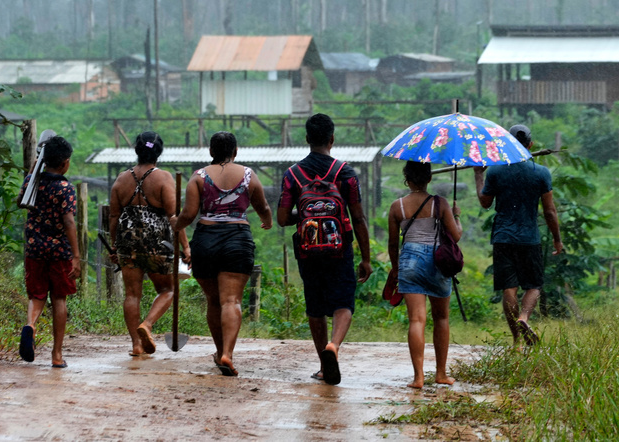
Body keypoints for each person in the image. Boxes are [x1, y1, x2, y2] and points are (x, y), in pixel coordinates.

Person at [277, 113, 373, 385]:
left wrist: (307, 215)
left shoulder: (293, 175)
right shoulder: (345, 173)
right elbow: (358, 218)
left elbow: (283, 219)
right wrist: (365, 258)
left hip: (308, 252)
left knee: (315, 307)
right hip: (340, 248)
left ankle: (323, 365)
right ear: (332, 139)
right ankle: (334, 346)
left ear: (307, 139)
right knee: (344, 301)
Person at [174, 131, 273, 377]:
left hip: (205, 241)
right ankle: (228, 353)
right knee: (232, 301)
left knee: (214, 301)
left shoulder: (198, 177)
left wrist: (174, 225)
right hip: (237, 240)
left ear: (211, 152)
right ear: (235, 151)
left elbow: (188, 214)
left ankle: (219, 352)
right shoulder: (249, 175)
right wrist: (267, 221)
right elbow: (263, 207)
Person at [473, 124, 562, 346]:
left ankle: (516, 341)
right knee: (533, 286)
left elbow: (485, 203)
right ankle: (524, 317)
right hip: (529, 238)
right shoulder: (541, 173)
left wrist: (477, 175)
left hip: (503, 237)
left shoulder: (495, 171)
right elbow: (550, 212)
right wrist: (558, 239)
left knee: (509, 288)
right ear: (530, 145)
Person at [108, 131, 190, 357]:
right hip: (156, 241)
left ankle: (136, 344)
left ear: (137, 151)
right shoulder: (163, 178)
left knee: (132, 294)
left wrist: (115, 246)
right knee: (167, 289)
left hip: (127, 239)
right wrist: (186, 246)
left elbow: (114, 217)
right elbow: (174, 217)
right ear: (158, 152)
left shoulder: (121, 179)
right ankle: (148, 324)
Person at [386, 161, 462, 388]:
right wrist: (456, 216)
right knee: (441, 318)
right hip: (437, 261)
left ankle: (418, 377)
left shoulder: (396, 206)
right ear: (429, 178)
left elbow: (392, 244)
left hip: (409, 260)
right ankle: (441, 374)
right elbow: (455, 236)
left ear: (406, 179)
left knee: (416, 320)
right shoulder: (441, 204)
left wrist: (396, 268)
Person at [18, 135, 81, 368]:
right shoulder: (65, 188)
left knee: (36, 296)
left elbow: (19, 201)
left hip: (34, 248)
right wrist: (76, 256)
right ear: (65, 162)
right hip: (59, 252)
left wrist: (33, 171)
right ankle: (56, 355)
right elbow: (69, 222)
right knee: (59, 299)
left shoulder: (32, 182)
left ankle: (31, 326)